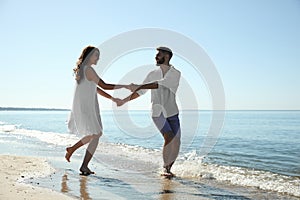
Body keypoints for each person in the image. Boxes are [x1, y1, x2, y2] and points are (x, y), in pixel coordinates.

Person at [65, 45, 128, 175]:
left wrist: (113, 99)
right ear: (89, 56)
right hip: (87, 107)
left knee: (94, 134)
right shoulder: (89, 70)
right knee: (96, 134)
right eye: (96, 55)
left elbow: (96, 89)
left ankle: (73, 151)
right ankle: (83, 164)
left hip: (86, 106)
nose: (98, 58)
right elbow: (104, 85)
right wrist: (125, 86)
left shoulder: (82, 70)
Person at [119, 46, 181, 176]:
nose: (156, 57)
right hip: (157, 113)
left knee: (176, 142)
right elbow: (141, 92)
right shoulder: (152, 74)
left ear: (167, 56)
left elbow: (159, 84)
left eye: (159, 55)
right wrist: (124, 100)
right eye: (156, 54)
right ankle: (166, 169)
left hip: (172, 111)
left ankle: (170, 166)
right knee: (169, 137)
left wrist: (138, 85)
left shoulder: (175, 73)